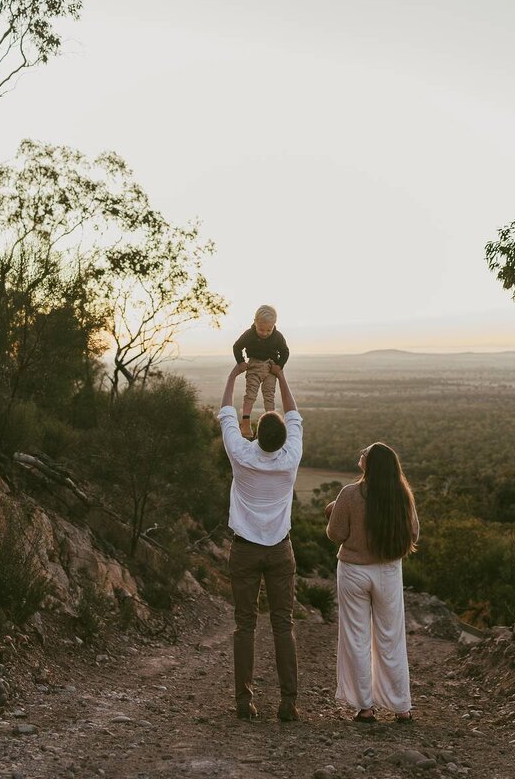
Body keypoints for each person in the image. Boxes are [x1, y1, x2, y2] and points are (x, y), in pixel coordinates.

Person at [218, 359, 303, 722]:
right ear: (283, 439)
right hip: (280, 550)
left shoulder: (241, 455)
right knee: (283, 625)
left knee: (245, 624)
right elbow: (295, 414)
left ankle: (243, 701)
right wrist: (281, 375)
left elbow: (226, 414)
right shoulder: (291, 458)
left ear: (255, 435)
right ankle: (288, 703)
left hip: (245, 550)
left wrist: (234, 375)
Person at [325, 442, 419, 723]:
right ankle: (402, 707)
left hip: (354, 570)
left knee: (356, 637)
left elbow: (335, 534)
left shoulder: (350, 494)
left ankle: (365, 707)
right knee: (391, 637)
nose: (360, 455)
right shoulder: (402, 495)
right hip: (388, 570)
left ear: (370, 463)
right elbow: (413, 534)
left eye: (364, 453)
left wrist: (332, 512)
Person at [232, 304, 290, 439]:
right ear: (255, 322)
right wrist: (241, 362)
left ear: (274, 325)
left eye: (268, 330)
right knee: (251, 393)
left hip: (270, 367)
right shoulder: (249, 334)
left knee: (269, 395)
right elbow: (237, 347)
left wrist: (279, 366)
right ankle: (245, 423)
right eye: (261, 329)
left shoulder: (277, 336)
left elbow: (285, 351)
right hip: (254, 365)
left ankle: (270, 424)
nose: (264, 333)